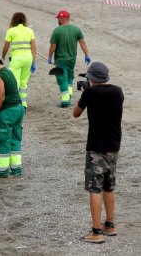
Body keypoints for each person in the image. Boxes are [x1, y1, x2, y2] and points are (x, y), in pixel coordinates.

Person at [72, 62, 124, 244]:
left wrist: (84, 94)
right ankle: (109, 224)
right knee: (108, 186)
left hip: (96, 147)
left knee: (95, 188)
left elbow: (76, 113)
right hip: (113, 146)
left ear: (91, 79)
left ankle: (96, 231)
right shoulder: (118, 92)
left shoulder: (90, 94)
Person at [0, 54, 24, 178]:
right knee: (15, 139)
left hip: (8, 111)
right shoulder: (9, 71)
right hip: (18, 109)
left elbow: (0, 97)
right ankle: (16, 169)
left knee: (2, 140)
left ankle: (2, 171)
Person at [48, 10, 91, 108]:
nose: (58, 20)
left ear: (62, 18)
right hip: (72, 60)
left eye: (59, 18)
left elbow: (53, 46)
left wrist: (50, 56)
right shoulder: (76, 29)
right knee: (70, 78)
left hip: (60, 60)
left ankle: (65, 101)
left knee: (62, 80)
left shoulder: (57, 30)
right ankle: (69, 96)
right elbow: (83, 43)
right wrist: (87, 55)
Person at [2, 12, 36, 109]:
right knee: (23, 82)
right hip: (28, 59)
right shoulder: (30, 31)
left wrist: (3, 56)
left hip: (16, 59)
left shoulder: (11, 31)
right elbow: (34, 48)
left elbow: (6, 46)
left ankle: (15, 103)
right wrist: (33, 62)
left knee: (14, 81)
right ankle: (23, 103)